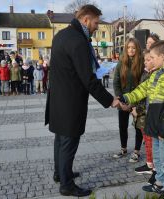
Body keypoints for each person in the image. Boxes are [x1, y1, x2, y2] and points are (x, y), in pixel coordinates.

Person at [45, 4, 120, 197]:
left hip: (58, 99)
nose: (96, 27)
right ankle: (67, 185)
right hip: (71, 102)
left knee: (60, 140)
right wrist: (110, 100)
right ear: (86, 19)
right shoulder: (78, 41)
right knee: (68, 142)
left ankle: (60, 173)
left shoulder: (61, 35)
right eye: (95, 23)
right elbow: (88, 79)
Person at [119, 41, 164, 199]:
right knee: (157, 157)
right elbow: (143, 89)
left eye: (153, 57)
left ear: (163, 56)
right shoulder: (157, 73)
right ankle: (159, 183)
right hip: (154, 123)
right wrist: (125, 97)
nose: (151, 60)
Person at [113, 38, 143, 163]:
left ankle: (136, 151)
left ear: (137, 49)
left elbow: (143, 83)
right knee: (122, 126)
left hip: (137, 101)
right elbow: (116, 82)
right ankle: (123, 148)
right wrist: (120, 99)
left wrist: (134, 103)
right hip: (124, 100)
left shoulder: (141, 62)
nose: (131, 50)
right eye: (129, 47)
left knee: (138, 126)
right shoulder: (121, 62)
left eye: (133, 47)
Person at [134, 33, 159, 180]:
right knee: (147, 139)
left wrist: (139, 108)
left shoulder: (156, 72)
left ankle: (155, 169)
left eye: (152, 43)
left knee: (152, 141)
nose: (149, 45)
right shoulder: (146, 70)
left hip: (148, 111)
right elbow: (141, 89)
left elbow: (150, 95)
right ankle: (150, 164)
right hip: (142, 109)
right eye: (147, 43)